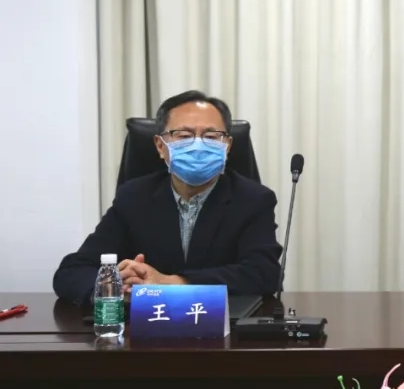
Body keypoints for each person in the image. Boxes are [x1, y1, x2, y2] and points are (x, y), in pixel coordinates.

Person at [53, 91, 283, 306]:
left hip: (225, 327)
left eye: (211, 136)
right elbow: (72, 271)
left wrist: (171, 283)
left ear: (227, 146)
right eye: (184, 136)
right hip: (146, 328)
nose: (198, 146)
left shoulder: (253, 200)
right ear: (160, 146)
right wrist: (115, 288)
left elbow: (264, 274)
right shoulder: (133, 197)